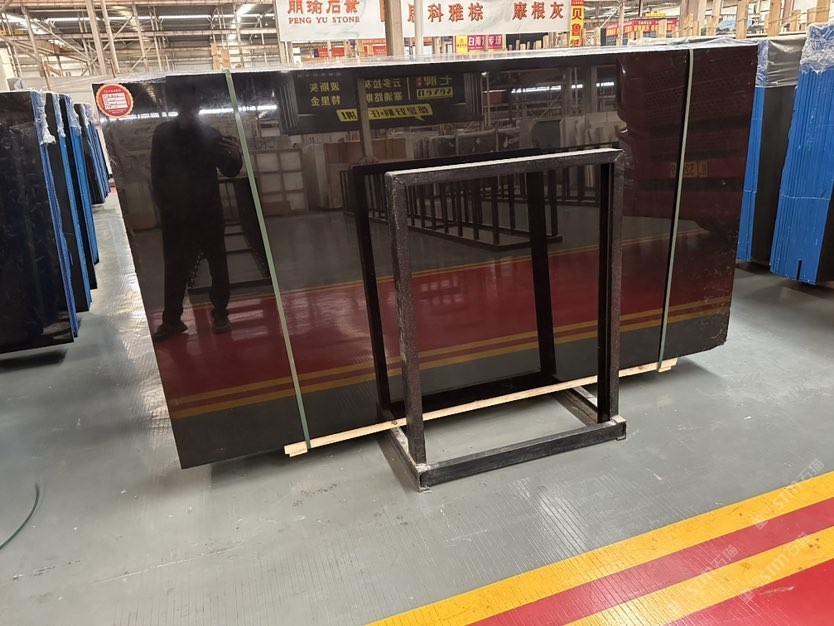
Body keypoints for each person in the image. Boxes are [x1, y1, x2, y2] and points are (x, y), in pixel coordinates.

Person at [150, 77, 242, 341]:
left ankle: (220, 313)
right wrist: (166, 209)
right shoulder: (163, 135)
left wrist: (236, 157)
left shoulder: (210, 135)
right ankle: (172, 320)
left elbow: (229, 170)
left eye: (194, 105)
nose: (191, 109)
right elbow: (157, 177)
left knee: (217, 265)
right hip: (178, 217)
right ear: (178, 105)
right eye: (186, 104)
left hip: (206, 214)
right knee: (176, 268)